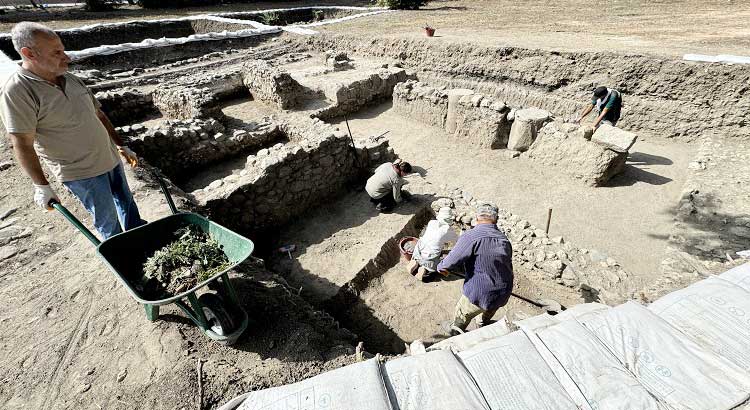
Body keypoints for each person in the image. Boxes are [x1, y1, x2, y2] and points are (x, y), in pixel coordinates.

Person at [0, 22, 145, 239]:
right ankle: (125, 259)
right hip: (82, 173)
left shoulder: (70, 78)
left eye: (63, 50)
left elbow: (99, 115)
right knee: (108, 222)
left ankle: (142, 240)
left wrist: (120, 145)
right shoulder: (18, 91)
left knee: (127, 204)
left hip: (110, 158)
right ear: (29, 53)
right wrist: (41, 185)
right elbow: (22, 142)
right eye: (57, 52)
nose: (67, 57)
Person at [437, 202, 513, 335]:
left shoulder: (471, 236)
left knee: (463, 312)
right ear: (496, 220)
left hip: (480, 292)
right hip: (504, 291)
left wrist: (440, 267)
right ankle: (482, 323)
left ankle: (456, 331)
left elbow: (448, 263)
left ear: (477, 218)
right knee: (489, 309)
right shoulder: (504, 239)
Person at [407, 207, 459, 282]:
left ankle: (417, 262)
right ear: (450, 219)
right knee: (441, 267)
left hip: (418, 251)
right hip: (429, 259)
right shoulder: (448, 230)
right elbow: (458, 242)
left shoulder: (432, 222)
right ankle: (425, 269)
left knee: (429, 247)